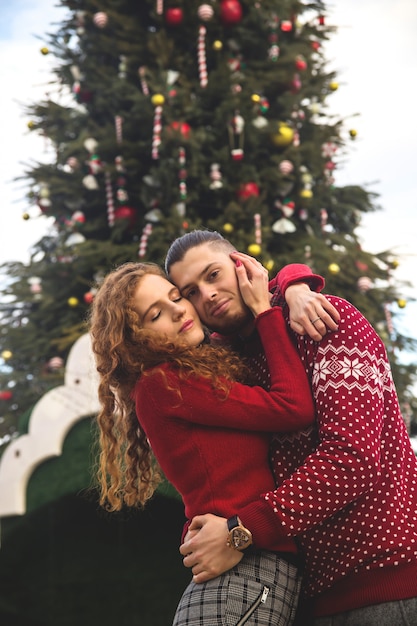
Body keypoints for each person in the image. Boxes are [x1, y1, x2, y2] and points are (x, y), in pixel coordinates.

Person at [165, 229, 417, 626]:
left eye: (213, 275)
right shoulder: (230, 365)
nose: (207, 295)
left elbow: (351, 460)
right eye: (190, 292)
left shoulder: (322, 318)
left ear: (242, 266)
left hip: (384, 581)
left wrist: (239, 531)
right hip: (305, 596)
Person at [89, 260, 317, 626]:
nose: (179, 309)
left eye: (176, 296)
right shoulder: (164, 383)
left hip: (244, 564)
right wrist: (265, 312)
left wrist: (294, 282)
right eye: (155, 314)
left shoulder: (196, 369)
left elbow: (263, 281)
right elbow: (292, 407)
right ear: (136, 340)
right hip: (242, 571)